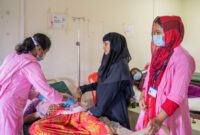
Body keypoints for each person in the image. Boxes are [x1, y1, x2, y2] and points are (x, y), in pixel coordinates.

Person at [0, 33, 74, 134]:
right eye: (45, 52)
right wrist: (65, 99)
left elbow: (17, 85)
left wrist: (38, 95)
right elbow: (46, 89)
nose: (44, 55)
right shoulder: (29, 63)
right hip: (10, 104)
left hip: (7, 101)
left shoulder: (14, 56)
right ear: (39, 48)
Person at [135, 16, 195, 135]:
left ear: (171, 33)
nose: (154, 37)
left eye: (158, 33)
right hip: (151, 111)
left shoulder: (184, 59)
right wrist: (143, 95)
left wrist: (159, 119)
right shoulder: (158, 53)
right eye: (152, 33)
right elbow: (148, 79)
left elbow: (177, 96)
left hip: (167, 117)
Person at [77, 32, 134, 129]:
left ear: (115, 45)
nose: (103, 47)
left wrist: (92, 111)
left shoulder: (120, 65)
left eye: (106, 44)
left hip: (115, 110)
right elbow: (101, 83)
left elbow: (109, 92)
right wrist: (83, 89)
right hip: (105, 107)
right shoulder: (110, 62)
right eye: (103, 44)